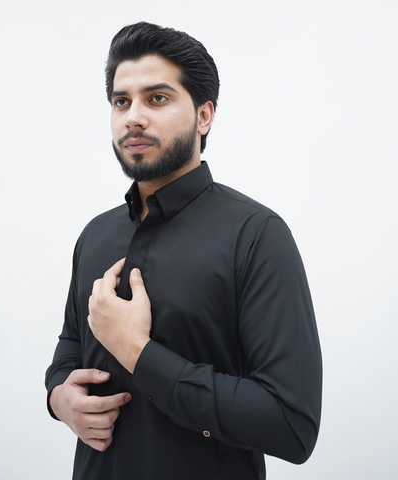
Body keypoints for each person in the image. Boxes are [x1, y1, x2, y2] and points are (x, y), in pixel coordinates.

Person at [45, 21, 322, 480]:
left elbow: (291, 425)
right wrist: (59, 398)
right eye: (121, 101)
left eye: (157, 98)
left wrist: (139, 354)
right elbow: (71, 347)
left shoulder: (257, 236)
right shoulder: (95, 235)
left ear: (204, 116)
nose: (133, 117)